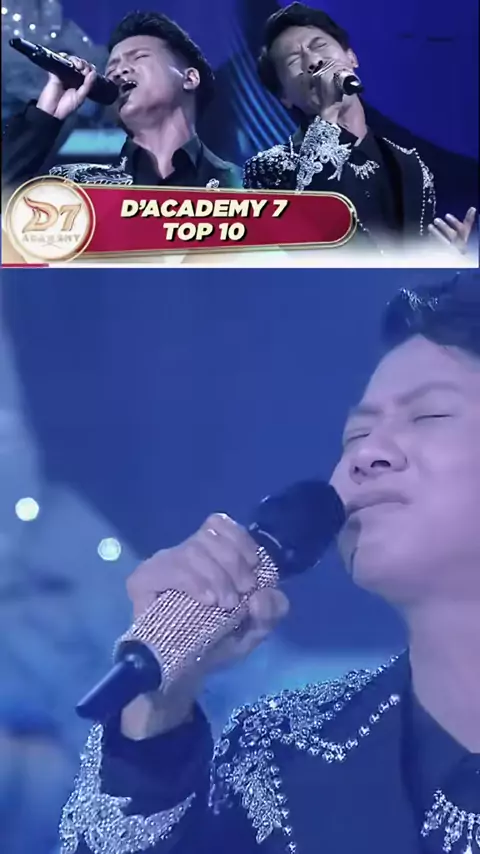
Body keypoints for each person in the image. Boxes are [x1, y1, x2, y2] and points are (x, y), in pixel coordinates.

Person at [58, 270, 480, 854]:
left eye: (428, 416)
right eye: (355, 436)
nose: (366, 456)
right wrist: (156, 711)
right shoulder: (277, 758)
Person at [243, 3, 476, 254]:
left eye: (319, 45)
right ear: (284, 97)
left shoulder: (409, 165)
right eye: (294, 60)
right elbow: (314, 245)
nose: (314, 61)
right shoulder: (268, 169)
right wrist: (328, 113)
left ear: (351, 58)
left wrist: (444, 259)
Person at [2, 12, 242, 191]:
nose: (118, 71)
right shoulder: (81, 186)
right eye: (111, 68)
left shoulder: (243, 187)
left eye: (139, 57)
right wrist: (47, 114)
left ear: (189, 79)